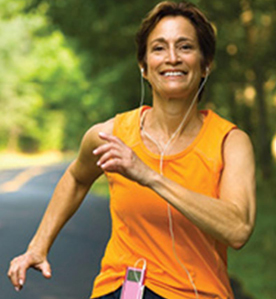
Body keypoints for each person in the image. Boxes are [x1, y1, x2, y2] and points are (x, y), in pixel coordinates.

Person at [8, 1, 256, 298]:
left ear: (206, 64)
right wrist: (38, 246)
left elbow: (238, 229)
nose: (172, 58)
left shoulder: (230, 141)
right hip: (121, 289)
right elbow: (77, 178)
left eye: (186, 47)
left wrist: (148, 176)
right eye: (159, 48)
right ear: (143, 65)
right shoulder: (113, 135)